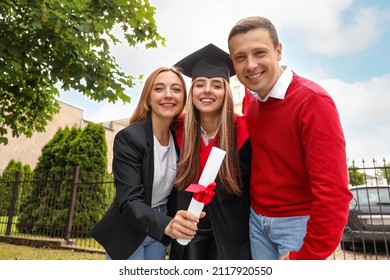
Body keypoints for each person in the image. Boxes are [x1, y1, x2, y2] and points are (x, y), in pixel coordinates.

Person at [227, 16, 353, 260]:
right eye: (240, 57)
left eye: (259, 53)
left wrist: (307, 258)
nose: (250, 65)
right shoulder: (251, 102)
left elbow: (334, 193)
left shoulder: (313, 101)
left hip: (298, 226)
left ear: (279, 51)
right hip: (257, 223)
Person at [89, 66, 203, 260]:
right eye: (159, 89)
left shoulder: (181, 138)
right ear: (148, 98)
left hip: (161, 223)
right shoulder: (129, 138)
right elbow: (129, 200)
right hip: (130, 224)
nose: (168, 95)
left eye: (176, 89)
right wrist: (166, 225)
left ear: (184, 98)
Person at [169, 44, 252, 260]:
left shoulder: (245, 129)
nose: (207, 91)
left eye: (216, 85)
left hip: (232, 231)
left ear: (226, 92)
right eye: (200, 84)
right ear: (192, 92)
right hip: (189, 226)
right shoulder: (176, 128)